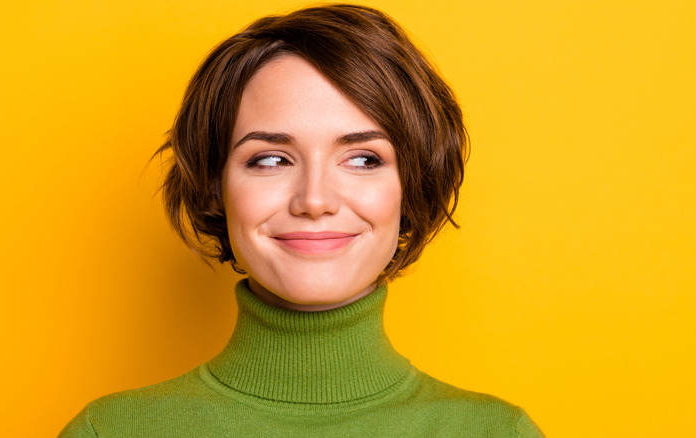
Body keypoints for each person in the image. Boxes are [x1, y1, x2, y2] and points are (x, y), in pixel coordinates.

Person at [60, 4, 544, 437]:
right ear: (216, 188)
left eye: (363, 159)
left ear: (410, 188)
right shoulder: (113, 431)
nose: (314, 200)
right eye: (270, 159)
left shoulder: (496, 433)